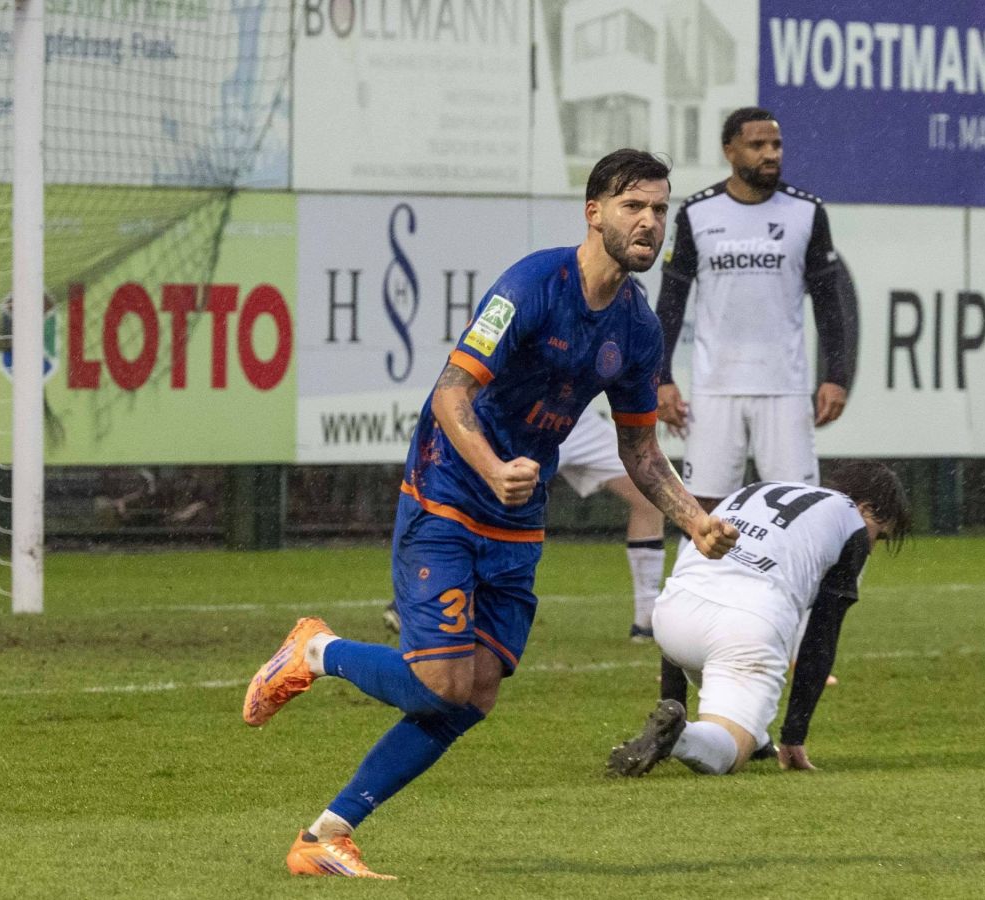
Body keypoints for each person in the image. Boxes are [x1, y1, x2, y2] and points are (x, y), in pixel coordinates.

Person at [241, 149, 739, 879]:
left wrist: (694, 519)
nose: (650, 222)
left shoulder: (635, 327)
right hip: (446, 492)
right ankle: (316, 652)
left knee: (475, 694)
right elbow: (450, 393)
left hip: (515, 517)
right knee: (439, 682)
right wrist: (494, 466)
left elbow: (640, 450)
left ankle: (326, 836)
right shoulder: (534, 284)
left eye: (660, 209)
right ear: (594, 212)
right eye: (634, 206)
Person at [653, 105, 859, 705]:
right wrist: (662, 377)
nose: (771, 154)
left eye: (777, 143)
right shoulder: (697, 213)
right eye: (758, 145)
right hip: (715, 391)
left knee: (806, 524)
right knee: (701, 516)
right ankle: (682, 649)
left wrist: (836, 374)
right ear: (730, 151)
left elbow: (829, 301)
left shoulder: (805, 212)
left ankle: (793, 649)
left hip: (785, 389)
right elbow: (672, 300)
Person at [606, 462, 911, 777]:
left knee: (728, 686)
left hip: (671, 616)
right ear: (866, 508)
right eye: (881, 535)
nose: (872, 547)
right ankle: (682, 737)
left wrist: (672, 701)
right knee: (728, 753)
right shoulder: (852, 525)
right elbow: (821, 637)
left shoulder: (757, 490)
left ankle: (755, 739)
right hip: (746, 626)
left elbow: (694, 584)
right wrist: (794, 736)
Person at [386, 407, 667, 642]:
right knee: (477, 506)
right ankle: (416, 597)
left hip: (575, 418)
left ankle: (647, 620)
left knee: (652, 493)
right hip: (527, 415)